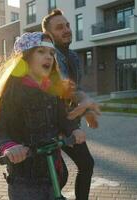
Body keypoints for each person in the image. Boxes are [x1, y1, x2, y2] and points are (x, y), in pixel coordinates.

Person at [0, 32, 87, 200]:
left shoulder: (52, 90)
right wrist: (9, 147)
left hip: (53, 172)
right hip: (25, 180)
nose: (49, 57)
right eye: (41, 52)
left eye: (51, 53)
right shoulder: (13, 92)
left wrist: (74, 130)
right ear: (25, 57)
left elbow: (63, 118)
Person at [42, 9, 101, 200]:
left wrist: (86, 108)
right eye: (60, 28)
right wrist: (87, 104)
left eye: (67, 25)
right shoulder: (52, 57)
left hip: (67, 121)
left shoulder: (73, 57)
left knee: (82, 166)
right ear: (49, 35)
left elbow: (75, 89)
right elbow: (66, 90)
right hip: (49, 123)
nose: (67, 29)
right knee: (61, 175)